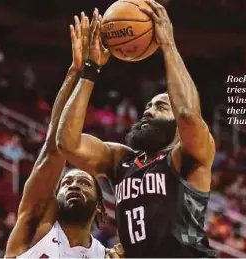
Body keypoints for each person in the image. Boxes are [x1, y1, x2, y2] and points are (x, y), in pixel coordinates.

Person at [56, 1, 216, 257]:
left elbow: (187, 113)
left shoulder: (188, 156)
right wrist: (90, 70)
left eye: (161, 107)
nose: (148, 110)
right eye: (148, 106)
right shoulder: (122, 161)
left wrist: (168, 46)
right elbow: (67, 143)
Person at [5, 10, 121, 259]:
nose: (73, 184)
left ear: (101, 210)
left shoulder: (109, 256)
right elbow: (52, 149)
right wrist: (79, 71)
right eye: (66, 183)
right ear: (53, 201)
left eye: (84, 183)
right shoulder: (34, 229)